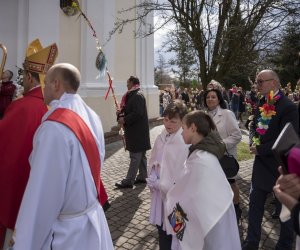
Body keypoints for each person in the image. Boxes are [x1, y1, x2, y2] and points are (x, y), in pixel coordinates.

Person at [11, 63, 113, 250]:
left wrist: (24, 243)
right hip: (93, 222)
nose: (43, 88)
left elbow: (42, 197)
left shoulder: (54, 128)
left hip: (67, 235)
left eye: (46, 83)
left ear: (56, 84)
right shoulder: (92, 115)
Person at [0, 39, 58, 249]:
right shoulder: (55, 108)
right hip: (45, 201)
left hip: (18, 196)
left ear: (29, 76)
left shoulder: (21, 107)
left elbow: (5, 153)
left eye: (23, 75)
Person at [165, 110, 241, 250]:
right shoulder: (203, 153)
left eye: (184, 128)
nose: (181, 133)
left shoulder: (201, 159)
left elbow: (188, 196)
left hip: (212, 224)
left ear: (193, 128)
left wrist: (170, 198)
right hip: (215, 218)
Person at [242, 69, 299, 250]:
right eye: (257, 82)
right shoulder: (262, 102)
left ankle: (284, 246)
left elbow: (288, 139)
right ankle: (251, 243)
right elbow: (254, 126)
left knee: (285, 213)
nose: (257, 85)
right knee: (254, 207)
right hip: (260, 167)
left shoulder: (287, 106)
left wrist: (260, 149)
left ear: (274, 82)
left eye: (260, 81)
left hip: (279, 167)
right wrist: (252, 141)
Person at [147, 100, 189, 249]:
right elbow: (154, 159)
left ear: (183, 121)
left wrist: (164, 184)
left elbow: (183, 173)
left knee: (177, 231)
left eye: (173, 121)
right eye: (165, 120)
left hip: (175, 199)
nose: (168, 124)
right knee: (162, 228)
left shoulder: (184, 141)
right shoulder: (161, 136)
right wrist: (152, 175)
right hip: (160, 195)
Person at [204, 88, 242, 222]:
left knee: (230, 183)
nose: (210, 99)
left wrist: (221, 145)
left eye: (213, 97)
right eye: (208, 97)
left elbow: (237, 135)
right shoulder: (204, 115)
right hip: (209, 157)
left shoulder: (227, 114)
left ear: (219, 99)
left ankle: (236, 209)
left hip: (225, 156)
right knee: (214, 185)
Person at [115, 75, 151, 188]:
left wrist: (124, 119)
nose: (126, 85)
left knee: (135, 157)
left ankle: (129, 181)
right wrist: (120, 113)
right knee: (141, 156)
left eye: (128, 83)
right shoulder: (132, 95)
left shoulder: (137, 96)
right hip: (137, 132)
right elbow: (130, 110)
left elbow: (137, 113)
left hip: (137, 133)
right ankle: (143, 176)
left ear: (133, 83)